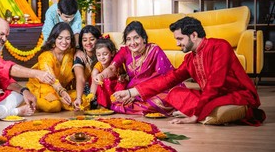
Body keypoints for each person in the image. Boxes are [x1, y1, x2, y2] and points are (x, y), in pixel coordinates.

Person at [113, 16, 266, 125]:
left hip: (236, 95)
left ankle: (218, 113)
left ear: (193, 35)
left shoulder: (220, 47)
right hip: (211, 98)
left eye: (180, 39)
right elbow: (168, 79)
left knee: (217, 115)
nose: (177, 44)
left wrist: (195, 116)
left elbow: (215, 84)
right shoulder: (191, 59)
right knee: (174, 94)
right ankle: (206, 113)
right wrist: (130, 92)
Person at [95, 21, 176, 115]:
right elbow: (112, 68)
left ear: (144, 38)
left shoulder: (154, 50)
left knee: (161, 101)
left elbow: (165, 78)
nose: (132, 43)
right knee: (116, 104)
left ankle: (141, 104)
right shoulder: (125, 51)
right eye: (128, 39)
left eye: (136, 38)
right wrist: (101, 75)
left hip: (154, 90)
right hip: (132, 91)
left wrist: (137, 93)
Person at [27, 22, 76, 113]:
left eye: (67, 38)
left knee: (82, 100)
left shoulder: (70, 54)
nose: (64, 42)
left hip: (62, 89)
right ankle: (36, 100)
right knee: (53, 105)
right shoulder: (46, 56)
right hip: (44, 87)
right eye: (60, 38)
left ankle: (63, 101)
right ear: (54, 39)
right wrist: (62, 93)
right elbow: (50, 79)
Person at [89, 34, 126, 109]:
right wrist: (91, 95)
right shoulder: (98, 66)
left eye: (105, 54)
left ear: (112, 53)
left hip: (115, 88)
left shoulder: (116, 64)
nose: (102, 57)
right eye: (98, 55)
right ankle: (103, 105)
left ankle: (117, 103)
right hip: (104, 89)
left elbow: (124, 74)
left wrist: (122, 78)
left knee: (122, 82)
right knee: (104, 81)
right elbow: (94, 79)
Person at [72, 25, 102, 110]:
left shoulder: (103, 53)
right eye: (85, 40)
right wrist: (78, 98)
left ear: (98, 39)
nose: (88, 43)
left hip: (102, 86)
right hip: (84, 90)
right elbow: (80, 78)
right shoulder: (80, 56)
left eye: (92, 39)